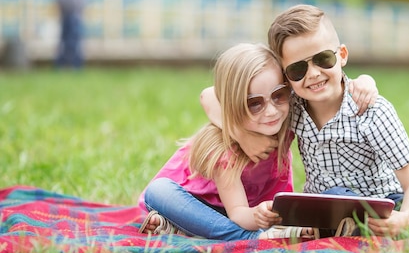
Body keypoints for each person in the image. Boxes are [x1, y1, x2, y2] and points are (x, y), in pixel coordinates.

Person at [202, 4, 409, 238]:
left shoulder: (372, 111)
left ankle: (377, 230)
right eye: (298, 69)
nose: (312, 74)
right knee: (332, 197)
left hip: (382, 203)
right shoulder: (290, 107)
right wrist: (242, 134)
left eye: (323, 59)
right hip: (323, 207)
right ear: (286, 77)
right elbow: (211, 95)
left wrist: (404, 218)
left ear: (342, 56)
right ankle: (355, 229)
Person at [139, 42, 376, 240]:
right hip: (200, 205)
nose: (271, 111)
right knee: (158, 191)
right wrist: (240, 136)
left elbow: (327, 89)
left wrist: (363, 81)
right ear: (232, 104)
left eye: (278, 95)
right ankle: (250, 239)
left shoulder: (286, 118)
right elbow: (238, 212)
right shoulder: (225, 150)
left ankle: (180, 231)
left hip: (256, 210)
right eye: (254, 103)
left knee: (335, 195)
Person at [55, 0, 87, 68]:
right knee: (75, 41)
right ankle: (76, 64)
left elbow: (59, 0)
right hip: (76, 17)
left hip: (66, 16)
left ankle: (61, 65)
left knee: (63, 41)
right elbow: (83, 1)